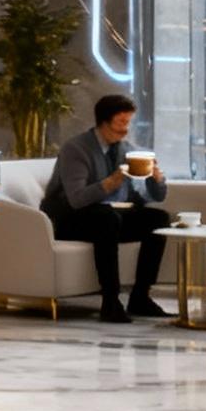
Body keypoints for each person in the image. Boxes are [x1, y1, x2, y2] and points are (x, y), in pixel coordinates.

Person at [40, 94, 172, 324]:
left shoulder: (126, 150)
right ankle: (110, 301)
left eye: (128, 122)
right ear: (103, 122)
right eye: (121, 123)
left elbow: (147, 197)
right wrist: (111, 182)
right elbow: (77, 199)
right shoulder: (76, 149)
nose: (125, 129)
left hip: (108, 217)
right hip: (68, 219)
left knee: (158, 219)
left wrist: (156, 180)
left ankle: (140, 296)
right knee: (107, 218)